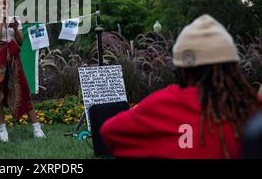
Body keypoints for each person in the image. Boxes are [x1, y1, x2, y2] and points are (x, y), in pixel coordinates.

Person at [100, 14, 261, 158]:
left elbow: (109, 132)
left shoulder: (164, 104)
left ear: (181, 70)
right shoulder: (253, 106)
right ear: (233, 67)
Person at [0, 0, 45, 142]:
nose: (4, 6)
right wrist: (1, 23)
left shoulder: (15, 19)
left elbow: (20, 42)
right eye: (1, 4)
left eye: (6, 4)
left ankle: (37, 128)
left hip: (13, 59)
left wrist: (14, 29)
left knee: (22, 90)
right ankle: (2, 130)